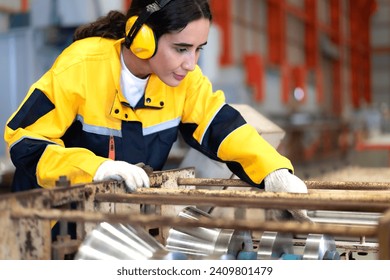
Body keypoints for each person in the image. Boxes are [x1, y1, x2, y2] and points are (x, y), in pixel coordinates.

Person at [4, 0, 310, 222]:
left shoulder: (184, 82)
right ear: (142, 40)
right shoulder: (81, 67)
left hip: (120, 226)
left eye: (198, 48)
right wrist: (93, 169)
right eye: (181, 49)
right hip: (49, 224)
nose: (191, 63)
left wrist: (274, 171)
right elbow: (24, 140)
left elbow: (223, 126)